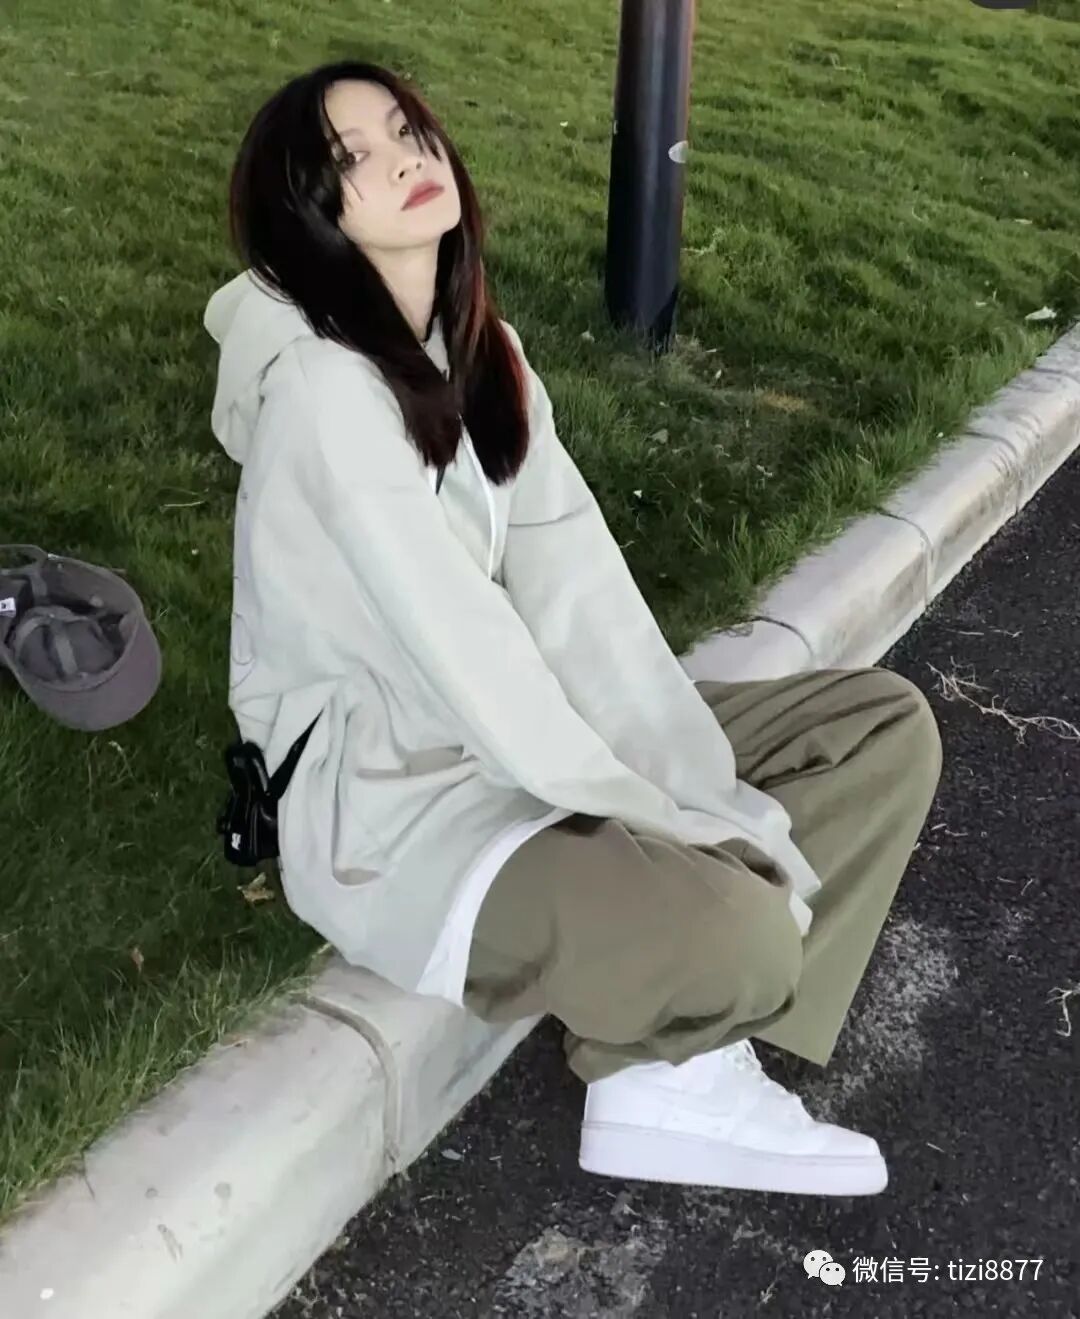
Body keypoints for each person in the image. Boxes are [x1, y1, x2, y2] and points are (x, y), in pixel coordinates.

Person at [204, 60, 941, 1199]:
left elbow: (579, 598)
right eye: (352, 159)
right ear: (312, 218)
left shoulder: (485, 352)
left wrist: (682, 774)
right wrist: (679, 820)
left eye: (406, 129)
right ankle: (673, 1042)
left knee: (878, 728)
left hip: (515, 732)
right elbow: (466, 651)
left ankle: (699, 1041)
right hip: (395, 803)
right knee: (740, 917)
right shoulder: (321, 392)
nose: (404, 160)